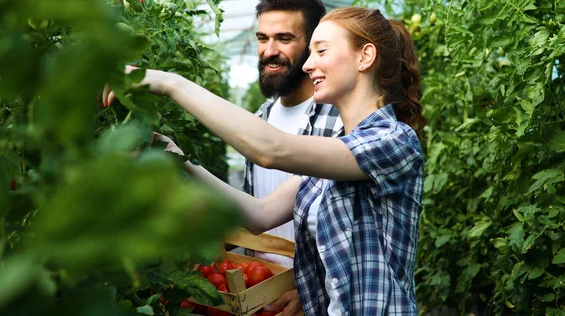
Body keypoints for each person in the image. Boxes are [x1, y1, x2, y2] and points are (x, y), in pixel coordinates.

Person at [103, 6, 426, 315]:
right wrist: (177, 157)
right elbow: (259, 214)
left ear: (365, 56)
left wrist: (170, 83)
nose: (307, 65)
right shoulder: (335, 152)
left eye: (321, 51)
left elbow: (271, 150)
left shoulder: (392, 141)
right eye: (310, 52)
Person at [244, 0, 342, 269]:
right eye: (262, 38)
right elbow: (256, 211)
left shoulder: (339, 120)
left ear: (312, 46)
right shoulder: (259, 118)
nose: (269, 51)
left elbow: (350, 228)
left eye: (284, 38)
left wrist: (307, 290)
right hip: (260, 292)